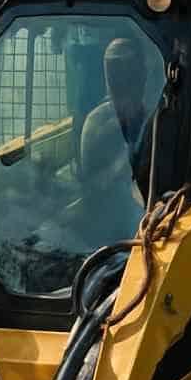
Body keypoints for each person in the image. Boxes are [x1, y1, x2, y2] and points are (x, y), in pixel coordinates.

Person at [76, 38, 153, 244]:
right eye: (119, 73)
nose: (126, 82)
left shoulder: (151, 115)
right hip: (106, 218)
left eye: (131, 73)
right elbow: (93, 186)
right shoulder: (97, 122)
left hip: (143, 213)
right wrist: (122, 164)